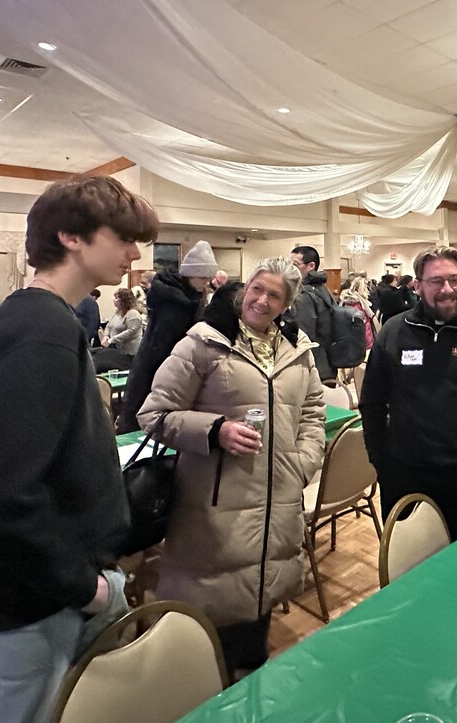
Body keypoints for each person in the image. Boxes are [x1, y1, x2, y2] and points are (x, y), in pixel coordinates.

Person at [0, 176, 157, 723]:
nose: (135, 252)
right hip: (38, 599)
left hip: (47, 589)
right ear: (72, 237)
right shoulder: (40, 331)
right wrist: (85, 588)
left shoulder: (43, 322)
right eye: (123, 236)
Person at [138, 256, 325, 676]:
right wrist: (215, 430)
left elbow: (313, 410)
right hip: (214, 506)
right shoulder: (203, 343)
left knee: (257, 613)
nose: (261, 300)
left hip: (278, 500)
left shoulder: (298, 351)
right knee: (209, 626)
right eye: (256, 288)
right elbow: (154, 414)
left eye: (274, 295)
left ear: (286, 304)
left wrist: (303, 462)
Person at [361, 246, 457, 538]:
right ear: (418, 285)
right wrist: (381, 461)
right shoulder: (394, 332)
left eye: (454, 279)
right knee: (409, 573)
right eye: (436, 281)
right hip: (404, 477)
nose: (447, 289)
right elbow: (371, 402)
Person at [118, 242, 215, 432]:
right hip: (158, 364)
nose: (207, 283)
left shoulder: (186, 296)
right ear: (189, 275)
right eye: (203, 277)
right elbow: (163, 341)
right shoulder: (173, 302)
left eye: (208, 278)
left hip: (162, 362)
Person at [290, 245, 337, 384]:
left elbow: (303, 335)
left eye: (295, 265)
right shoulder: (323, 289)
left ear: (311, 266)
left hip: (315, 365)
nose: (291, 269)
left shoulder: (305, 294)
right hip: (326, 361)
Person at [92, 287, 144, 373]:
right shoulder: (117, 312)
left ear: (124, 300)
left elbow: (130, 332)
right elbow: (109, 326)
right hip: (116, 349)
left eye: (117, 298)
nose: (114, 300)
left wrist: (112, 340)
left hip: (128, 354)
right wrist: (106, 336)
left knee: (100, 361)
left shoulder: (133, 314)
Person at [339, 276, 376, 351]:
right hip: (362, 341)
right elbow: (359, 327)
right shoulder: (356, 304)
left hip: (362, 339)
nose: (368, 290)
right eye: (365, 288)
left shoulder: (359, 301)